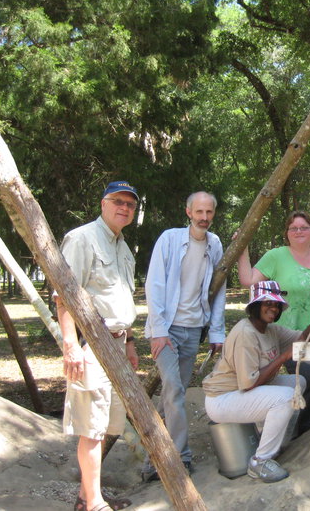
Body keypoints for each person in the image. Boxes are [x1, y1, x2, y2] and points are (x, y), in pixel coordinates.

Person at [57, 181, 140, 511]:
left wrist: (131, 342)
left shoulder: (123, 247)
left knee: (105, 424)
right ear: (103, 203)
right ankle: (94, 503)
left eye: (130, 205)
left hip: (118, 346)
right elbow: (63, 296)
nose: (124, 207)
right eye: (117, 201)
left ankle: (86, 497)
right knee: (90, 428)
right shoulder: (82, 239)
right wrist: (70, 346)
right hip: (90, 343)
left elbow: (122, 298)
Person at [203, 280, 310, 483]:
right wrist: (282, 357)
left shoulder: (271, 330)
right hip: (222, 399)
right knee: (286, 397)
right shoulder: (246, 333)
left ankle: (276, 445)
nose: (273, 308)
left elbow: (304, 337)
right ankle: (260, 461)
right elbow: (249, 384)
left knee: (299, 382)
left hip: (240, 393)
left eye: (276, 305)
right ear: (255, 306)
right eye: (267, 303)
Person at [141, 191, 226, 482]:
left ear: (214, 214)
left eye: (209, 213)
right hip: (166, 330)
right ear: (188, 211)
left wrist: (216, 331)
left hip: (193, 330)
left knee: (170, 396)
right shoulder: (169, 239)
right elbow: (154, 285)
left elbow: (218, 293)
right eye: (199, 212)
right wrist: (159, 331)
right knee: (174, 390)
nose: (204, 218)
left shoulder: (214, 244)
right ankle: (180, 457)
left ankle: (153, 460)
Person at [237, 210, 310, 434]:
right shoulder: (277, 256)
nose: (298, 231)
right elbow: (249, 282)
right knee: (306, 378)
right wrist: (242, 249)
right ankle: (306, 436)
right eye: (293, 228)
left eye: (304, 227)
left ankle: (303, 425)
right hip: (292, 333)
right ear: (287, 233)